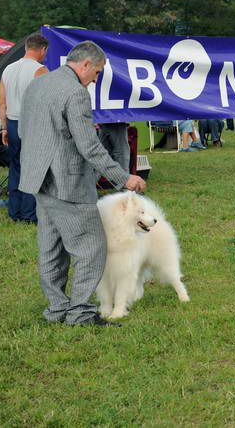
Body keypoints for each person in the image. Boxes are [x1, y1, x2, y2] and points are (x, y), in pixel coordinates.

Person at [18, 41, 146, 327]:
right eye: (97, 72)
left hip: (39, 178)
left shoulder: (38, 84)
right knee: (92, 247)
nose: (95, 80)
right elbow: (90, 147)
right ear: (86, 64)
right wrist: (124, 177)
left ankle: (57, 309)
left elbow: (25, 130)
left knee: (50, 248)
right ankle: (80, 313)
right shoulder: (75, 93)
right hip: (67, 182)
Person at [0, 32, 49, 223]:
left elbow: (2, 103)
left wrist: (3, 128)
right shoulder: (41, 70)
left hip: (11, 123)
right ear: (43, 50)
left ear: (26, 47)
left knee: (16, 167)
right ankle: (29, 214)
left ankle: (15, 212)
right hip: (31, 124)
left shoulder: (8, 69)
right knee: (33, 170)